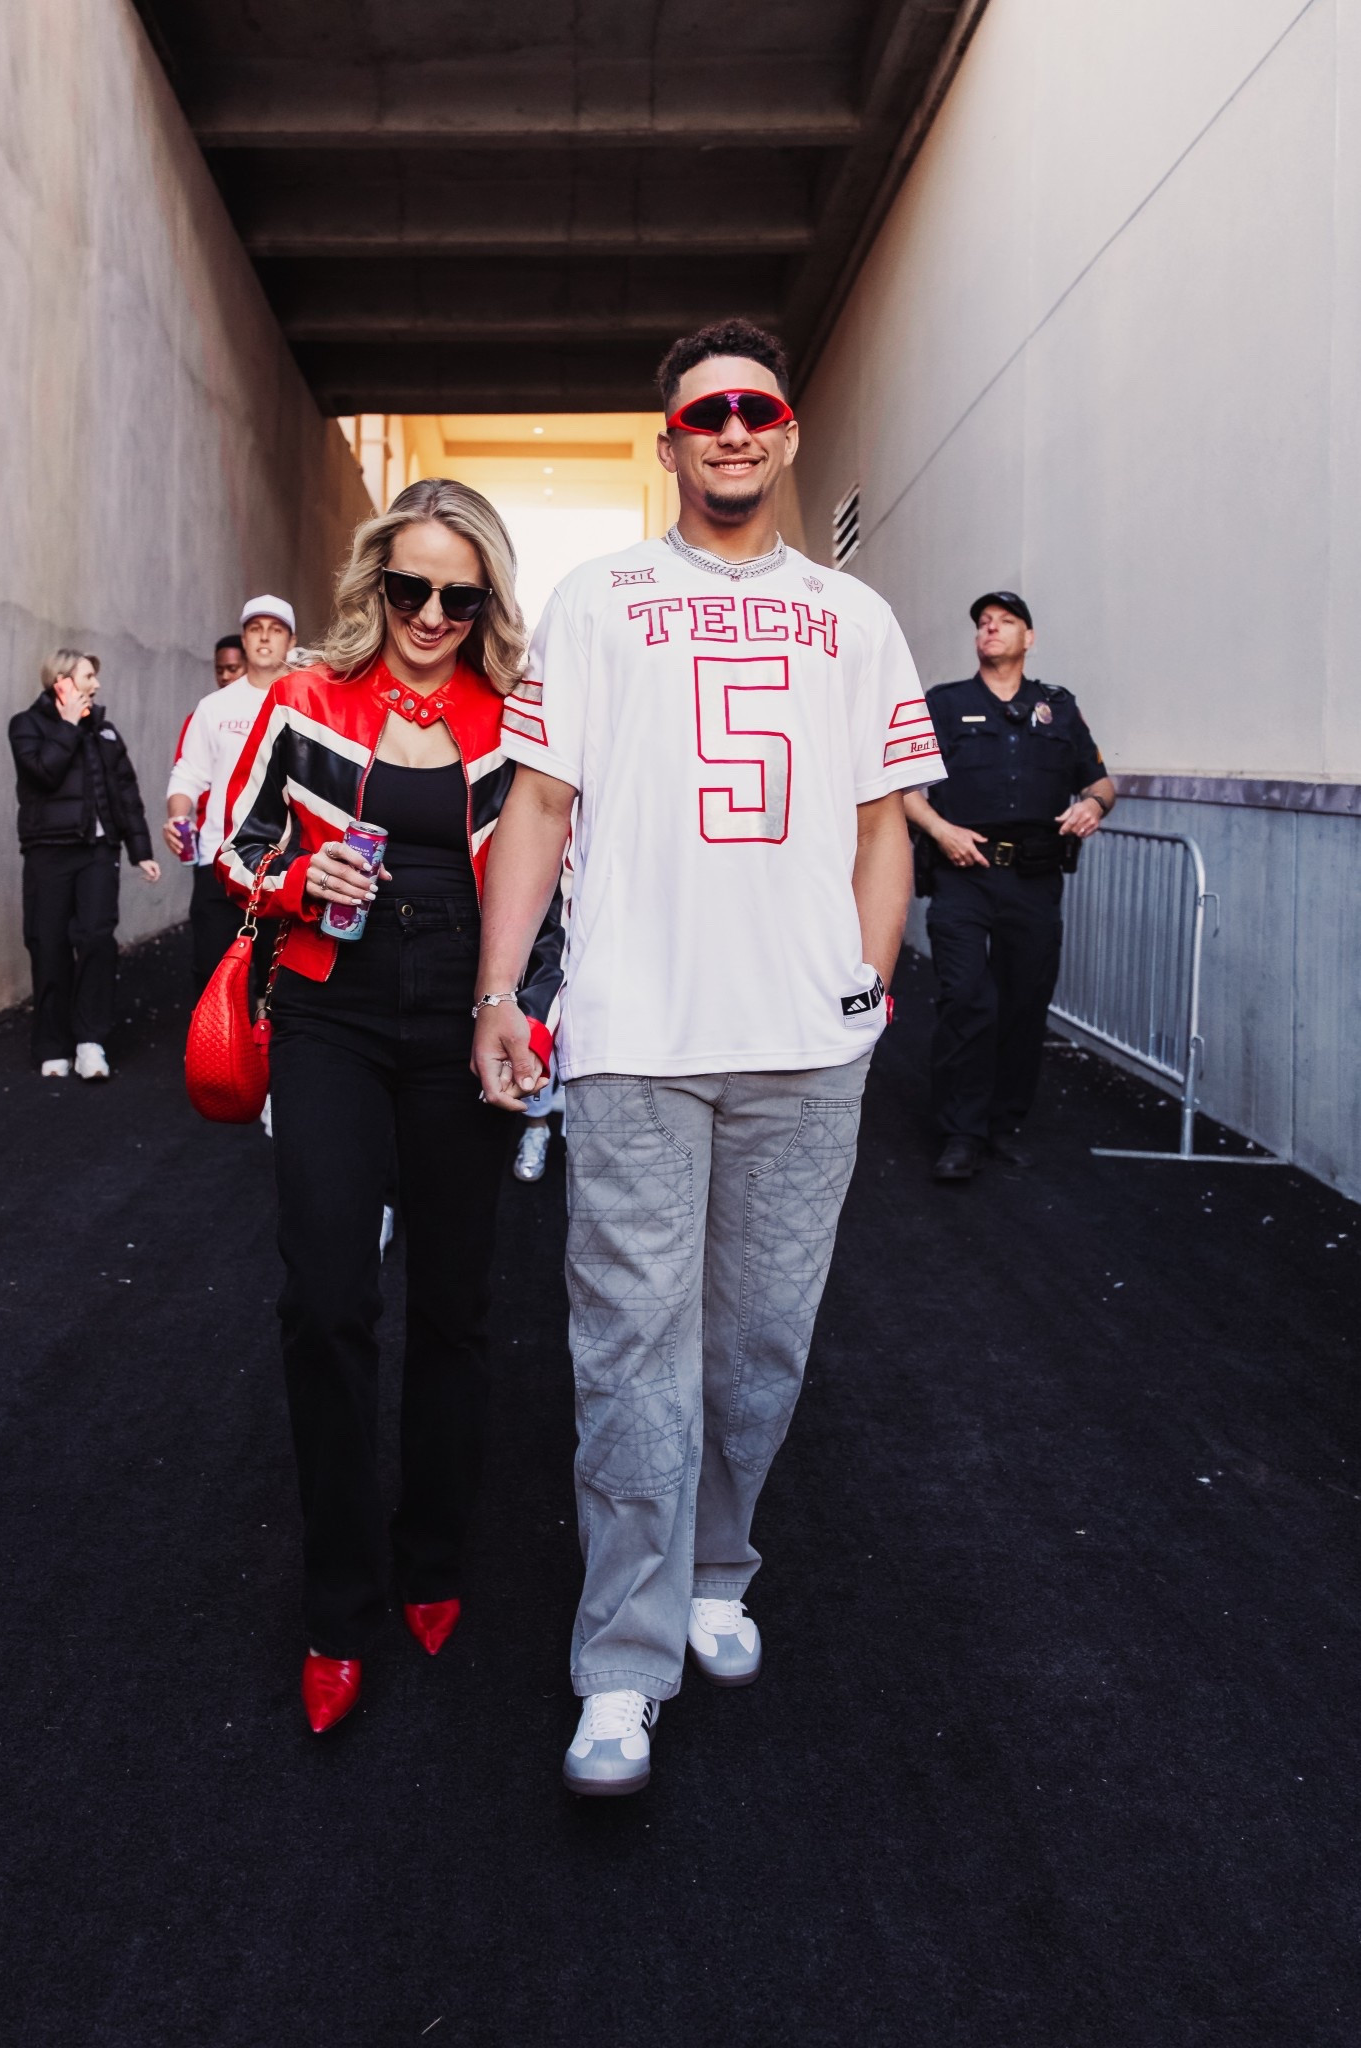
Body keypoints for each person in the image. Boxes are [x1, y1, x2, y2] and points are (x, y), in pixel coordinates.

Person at [472, 317, 946, 1796]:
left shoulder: (855, 618)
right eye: (702, 412)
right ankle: (619, 1664)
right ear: (665, 441)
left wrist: (863, 994)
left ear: (787, 432)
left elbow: (884, 831)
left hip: (804, 1053)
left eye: (753, 406)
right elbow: (539, 808)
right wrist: (502, 991)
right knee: (628, 1360)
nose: (729, 430)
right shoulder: (597, 601)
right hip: (632, 1046)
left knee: (753, 1356)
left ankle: (715, 1565)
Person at [218, 480, 562, 1736]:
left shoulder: (517, 718)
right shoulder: (306, 698)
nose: (428, 614)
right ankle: (338, 1597)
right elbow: (231, 842)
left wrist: (528, 1005)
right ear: (376, 586)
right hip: (332, 1010)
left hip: (461, 1015)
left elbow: (557, 871)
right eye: (408, 588)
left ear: (487, 602)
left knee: (457, 1306)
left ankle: (432, 1557)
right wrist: (300, 871)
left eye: (456, 595)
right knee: (324, 1299)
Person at [903, 593, 1115, 1183]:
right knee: (968, 999)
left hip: (1033, 878)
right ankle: (959, 1132)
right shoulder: (944, 705)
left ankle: (1001, 1124)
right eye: (983, 623)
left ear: (1029, 638)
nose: (990, 629)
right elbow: (905, 787)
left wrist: (1094, 806)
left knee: (1023, 1004)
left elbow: (1099, 782)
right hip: (962, 873)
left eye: (1005, 622)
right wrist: (940, 831)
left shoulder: (1057, 708)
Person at [8, 650, 160, 1081]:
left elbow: (126, 795)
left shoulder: (106, 734)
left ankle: (90, 1042)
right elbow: (43, 773)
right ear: (62, 682)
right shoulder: (26, 726)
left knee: (96, 940)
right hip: (48, 852)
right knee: (49, 943)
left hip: (98, 853)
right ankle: (52, 1044)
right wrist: (69, 726)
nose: (96, 685)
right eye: (88, 677)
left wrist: (140, 850)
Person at [165, 600, 296, 992]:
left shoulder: (306, 703)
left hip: (285, 868)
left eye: (276, 629)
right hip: (220, 863)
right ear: (244, 639)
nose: (265, 636)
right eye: (256, 628)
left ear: (291, 641)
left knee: (280, 989)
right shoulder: (214, 708)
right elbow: (188, 773)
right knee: (215, 982)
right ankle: (213, 1055)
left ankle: (270, 1055)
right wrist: (177, 815)